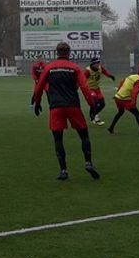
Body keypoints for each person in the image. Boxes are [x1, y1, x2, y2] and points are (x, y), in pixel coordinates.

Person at [32, 42, 99, 181]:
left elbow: (39, 87)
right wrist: (92, 105)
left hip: (56, 107)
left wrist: (37, 103)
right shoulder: (75, 68)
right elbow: (85, 88)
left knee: (58, 140)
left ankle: (63, 171)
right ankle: (88, 163)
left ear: (57, 52)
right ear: (69, 53)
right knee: (84, 135)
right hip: (73, 106)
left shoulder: (49, 67)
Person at [84, 59, 114, 125]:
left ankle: (93, 115)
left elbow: (104, 71)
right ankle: (96, 118)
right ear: (92, 64)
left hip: (97, 89)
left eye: (98, 63)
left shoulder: (100, 68)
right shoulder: (88, 71)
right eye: (96, 63)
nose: (98, 64)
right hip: (90, 89)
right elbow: (82, 79)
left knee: (102, 104)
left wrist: (110, 76)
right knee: (95, 102)